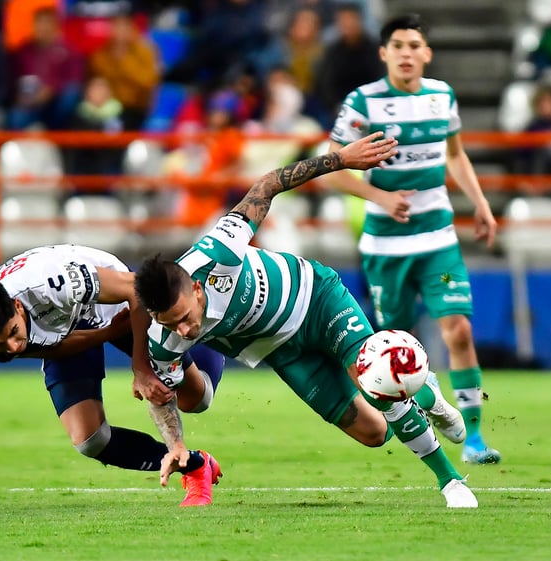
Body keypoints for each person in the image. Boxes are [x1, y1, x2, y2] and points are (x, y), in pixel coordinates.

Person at [134, 133, 479, 508]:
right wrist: (177, 445)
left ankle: (451, 482)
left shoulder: (220, 250)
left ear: (198, 289)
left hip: (316, 300)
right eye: (172, 325)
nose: (184, 331)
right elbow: (161, 396)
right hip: (283, 352)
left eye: (184, 318)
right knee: (375, 433)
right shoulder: (163, 338)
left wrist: (340, 160)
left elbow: (266, 185)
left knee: (376, 380)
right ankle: (422, 389)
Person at [325, 14, 501, 465]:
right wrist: (377, 196)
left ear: (427, 53)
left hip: (437, 236)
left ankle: (476, 437)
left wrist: (480, 204)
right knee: (399, 348)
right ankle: (436, 408)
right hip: (385, 246)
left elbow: (455, 155)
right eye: (397, 45)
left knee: (458, 329)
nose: (406, 53)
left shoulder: (442, 95)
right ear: (384, 53)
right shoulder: (363, 102)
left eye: (414, 45)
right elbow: (330, 171)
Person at [0, 244, 226, 506]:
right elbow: (46, 347)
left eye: (13, 332)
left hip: (116, 305)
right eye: (0, 345)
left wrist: (140, 367)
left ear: (18, 306)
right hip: (68, 323)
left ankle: (217, 333)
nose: (12, 347)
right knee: (90, 440)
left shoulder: (57, 281)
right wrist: (104, 335)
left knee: (197, 399)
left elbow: (135, 289)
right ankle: (194, 464)